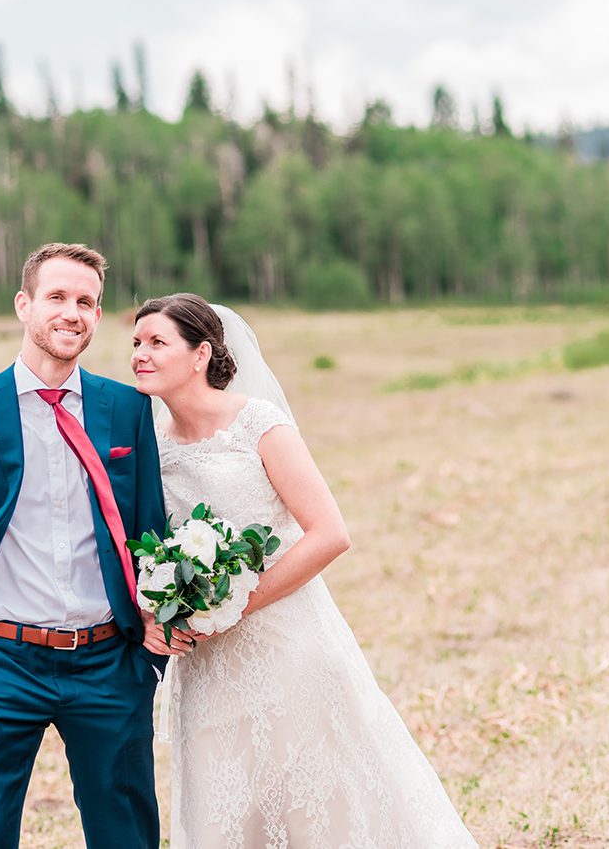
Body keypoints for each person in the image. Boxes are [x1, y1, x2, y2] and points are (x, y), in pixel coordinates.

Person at [130, 293, 478, 848]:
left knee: (316, 792)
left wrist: (235, 604)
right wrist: (161, 606)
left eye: (156, 342)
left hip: (288, 640)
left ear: (199, 355)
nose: (140, 355)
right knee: (229, 793)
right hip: (208, 659)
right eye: (136, 343)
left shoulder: (257, 425)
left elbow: (330, 533)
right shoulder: (148, 445)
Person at [0, 243, 179, 849]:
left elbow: (151, 535)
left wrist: (149, 652)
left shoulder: (127, 408)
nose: (72, 313)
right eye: (56, 297)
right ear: (24, 305)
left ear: (99, 316)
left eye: (87, 301)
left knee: (128, 838)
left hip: (110, 664)